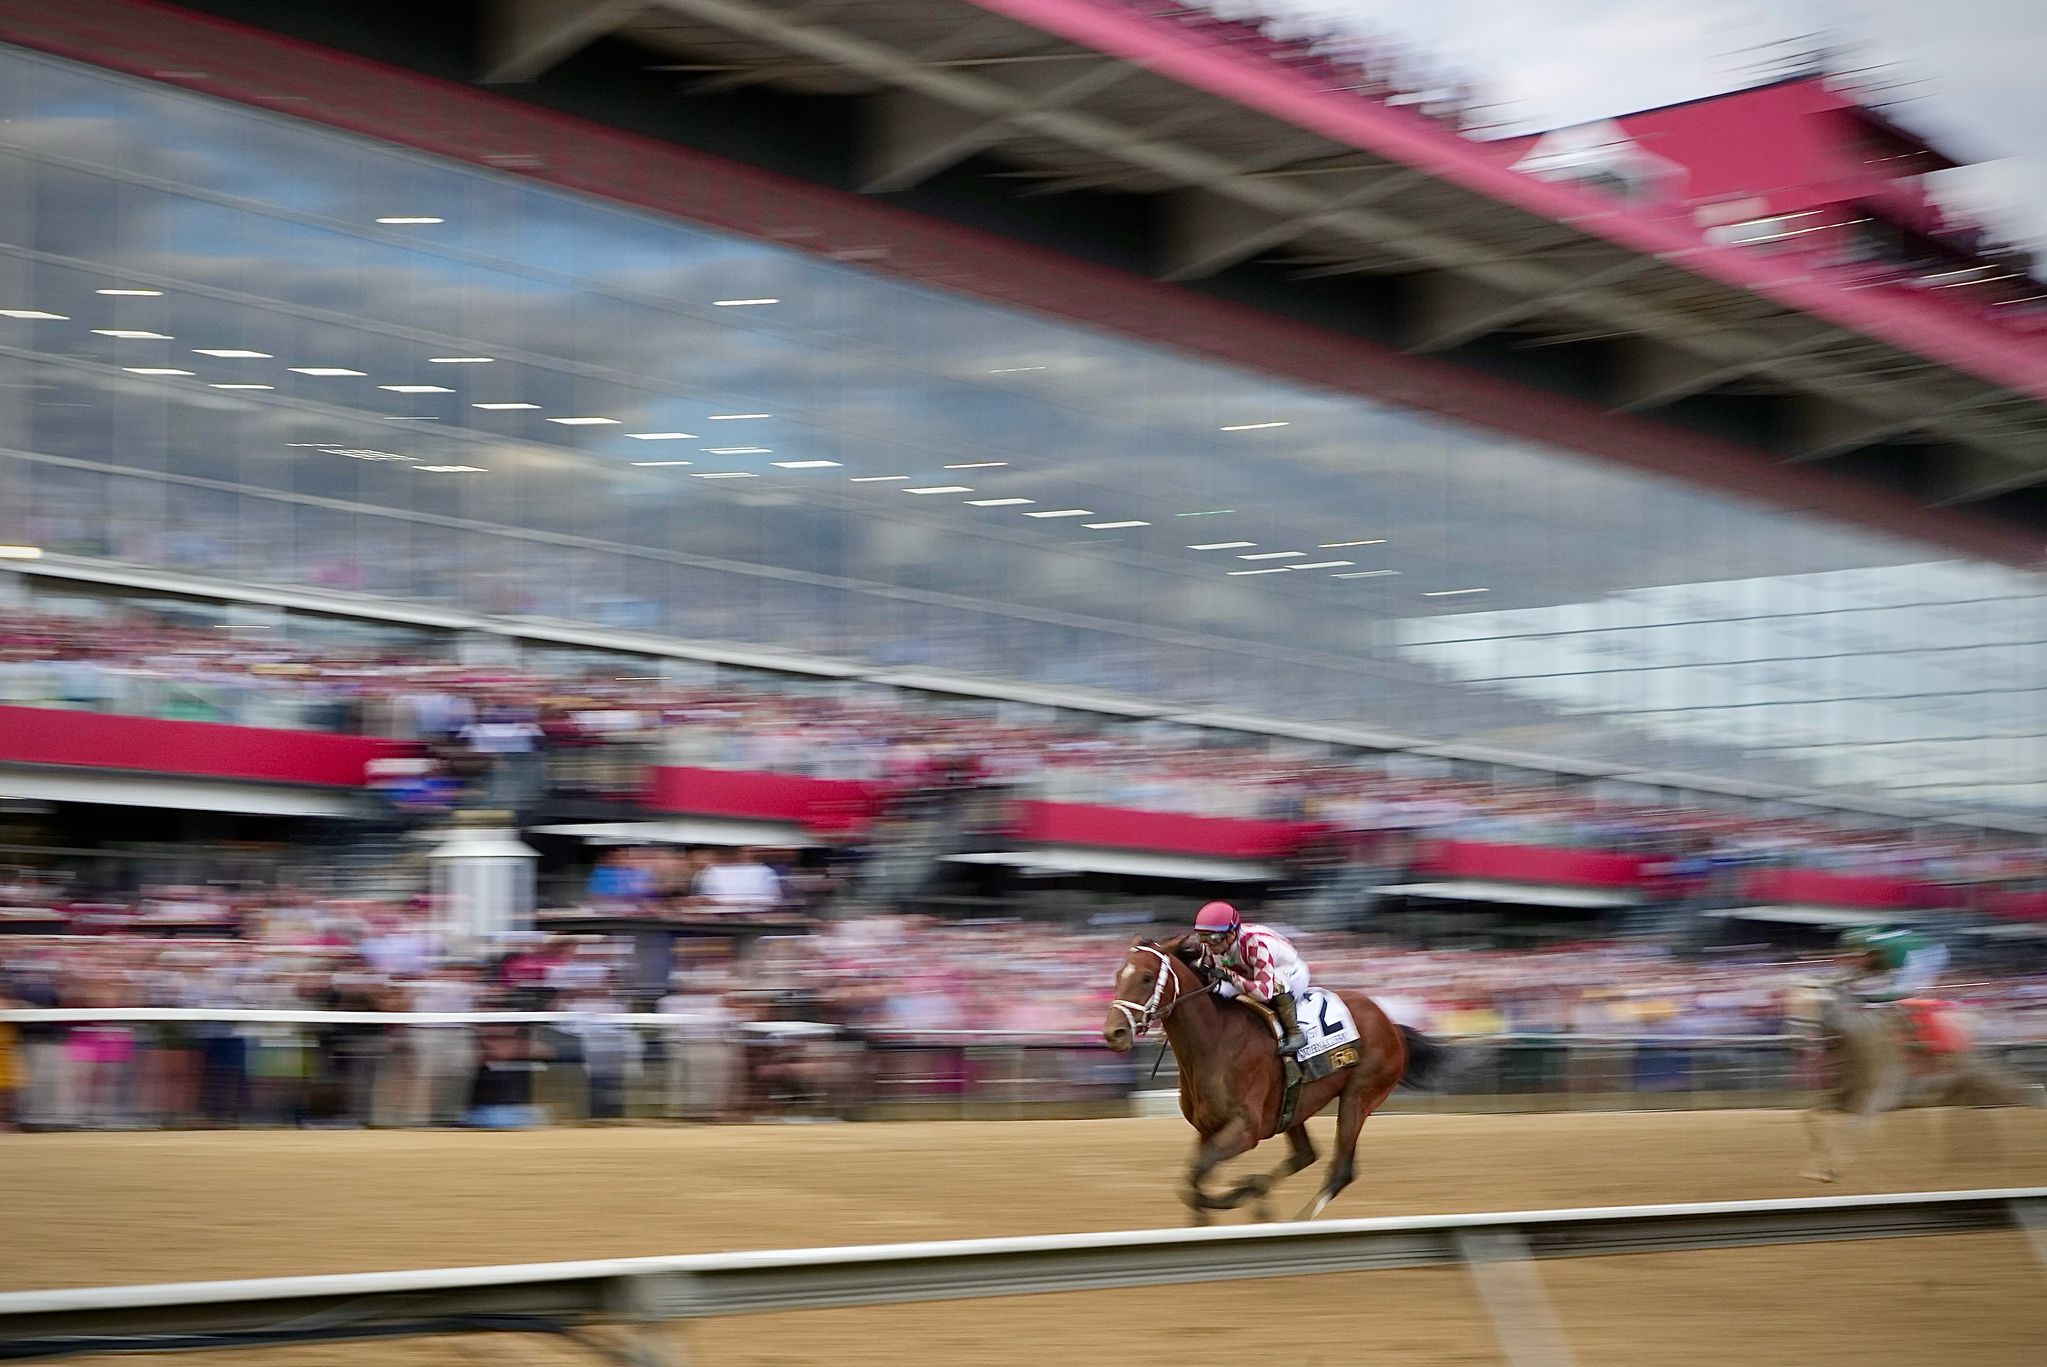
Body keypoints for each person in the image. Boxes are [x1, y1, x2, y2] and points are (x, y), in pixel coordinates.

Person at [1191, 901, 1309, 1058]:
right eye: (1202, 937)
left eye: (1213, 938)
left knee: (1275, 985)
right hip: (1251, 972)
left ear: (1231, 934)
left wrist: (1231, 976)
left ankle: (1294, 1032)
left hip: (1289, 972)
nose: (1207, 945)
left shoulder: (1256, 945)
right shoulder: (1213, 945)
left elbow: (1264, 993)